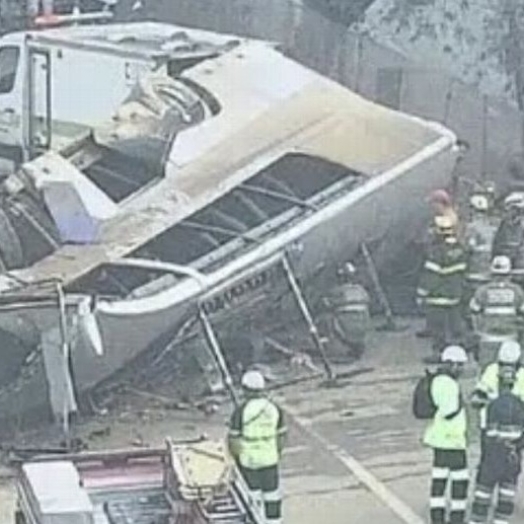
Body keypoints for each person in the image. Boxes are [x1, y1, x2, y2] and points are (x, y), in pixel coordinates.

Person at [228, 370, 287, 524]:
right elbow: (281, 436)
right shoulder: (274, 409)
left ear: (245, 389)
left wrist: (236, 458)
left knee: (252, 497)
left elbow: (234, 440)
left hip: (249, 460)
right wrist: (277, 453)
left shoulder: (241, 411)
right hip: (270, 459)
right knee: (272, 496)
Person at [469, 365, 524, 524]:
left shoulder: (494, 405)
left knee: (482, 499)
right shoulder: (520, 405)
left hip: (492, 459)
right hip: (512, 461)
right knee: (505, 503)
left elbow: (489, 434)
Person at [423, 345, 469, 524]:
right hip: (453, 441)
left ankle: (437, 518)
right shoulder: (448, 384)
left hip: (439, 440)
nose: (462, 369)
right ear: (452, 364)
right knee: (460, 482)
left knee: (439, 481)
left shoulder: (436, 380)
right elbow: (449, 411)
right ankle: (457, 518)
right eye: (460, 365)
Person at [417, 215, 468, 363]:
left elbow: (431, 276)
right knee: (453, 328)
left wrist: (421, 294)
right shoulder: (459, 249)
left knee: (437, 329)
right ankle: (455, 352)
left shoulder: (437, 251)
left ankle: (439, 353)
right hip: (454, 296)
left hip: (437, 297)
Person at [471, 340, 524, 459]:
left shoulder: (522, 376)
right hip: (491, 429)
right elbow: (476, 398)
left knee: (511, 466)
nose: (507, 369)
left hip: (514, 431)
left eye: (511, 365)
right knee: (489, 464)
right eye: (503, 364)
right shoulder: (491, 371)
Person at [469, 256, 524, 366]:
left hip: (487, 339)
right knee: (510, 373)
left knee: (487, 375)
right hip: (511, 339)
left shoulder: (482, 291)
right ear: (509, 274)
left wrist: (477, 333)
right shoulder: (517, 291)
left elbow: (474, 314)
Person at [322, 262, 370, 359]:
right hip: (361, 326)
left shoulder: (336, 291)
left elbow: (326, 303)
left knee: (326, 320)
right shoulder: (360, 290)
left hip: (346, 327)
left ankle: (327, 346)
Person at [492, 192, 524, 268]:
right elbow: (496, 243)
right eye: (515, 209)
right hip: (502, 261)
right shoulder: (501, 224)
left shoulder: (521, 224)